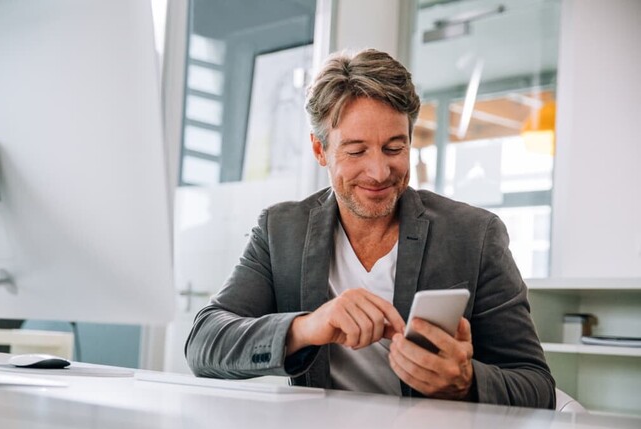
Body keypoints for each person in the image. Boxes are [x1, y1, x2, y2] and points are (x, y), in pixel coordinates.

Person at [185, 48, 555, 409]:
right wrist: (307, 327)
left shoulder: (475, 234)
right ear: (320, 150)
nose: (378, 173)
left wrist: (465, 383)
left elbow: (537, 386)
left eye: (394, 148)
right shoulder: (280, 230)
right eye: (356, 151)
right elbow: (204, 344)